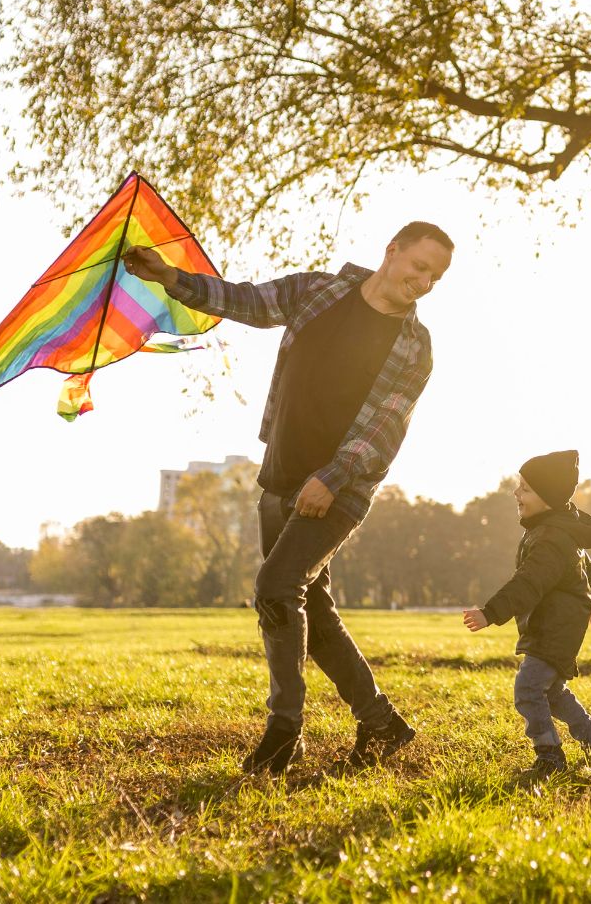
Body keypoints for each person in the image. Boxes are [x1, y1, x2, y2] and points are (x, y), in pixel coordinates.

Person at [122, 222, 453, 774]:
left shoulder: (415, 345)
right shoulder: (316, 290)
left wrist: (334, 476)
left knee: (276, 589)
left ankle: (284, 731)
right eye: (419, 267)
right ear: (391, 250)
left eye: (435, 277)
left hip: (340, 487)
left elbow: (386, 426)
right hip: (280, 476)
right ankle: (382, 723)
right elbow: (248, 301)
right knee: (311, 612)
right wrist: (170, 277)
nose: (424, 282)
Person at [462, 450, 591, 776]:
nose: (516, 493)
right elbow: (584, 568)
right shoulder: (555, 530)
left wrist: (490, 613)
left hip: (554, 629)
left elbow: (529, 583)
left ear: (547, 498)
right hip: (557, 626)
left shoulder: (551, 538)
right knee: (552, 693)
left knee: (528, 690)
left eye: (525, 488)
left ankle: (549, 755)